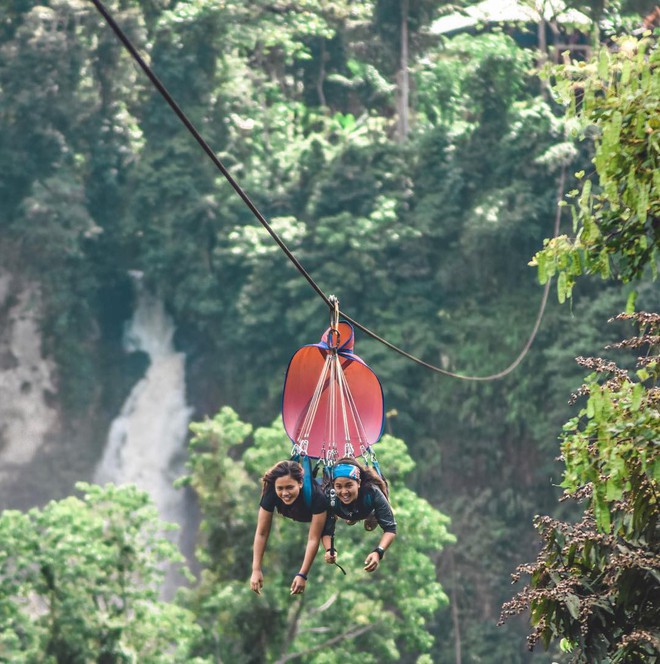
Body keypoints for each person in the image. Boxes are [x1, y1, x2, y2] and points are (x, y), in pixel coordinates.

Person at [251, 460, 328, 596]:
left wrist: (302, 574)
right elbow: (262, 533)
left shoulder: (317, 496)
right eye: (280, 489)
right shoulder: (271, 492)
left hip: (321, 511)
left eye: (289, 487)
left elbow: (313, 538)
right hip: (296, 512)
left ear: (300, 483)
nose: (285, 493)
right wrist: (256, 569)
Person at [322, 457, 396, 572]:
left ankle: (364, 515)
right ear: (333, 486)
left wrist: (379, 552)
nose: (344, 491)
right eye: (339, 486)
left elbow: (390, 528)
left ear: (359, 483)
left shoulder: (372, 492)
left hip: (366, 509)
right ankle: (352, 515)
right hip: (344, 511)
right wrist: (329, 550)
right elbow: (326, 530)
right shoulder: (329, 495)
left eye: (349, 485)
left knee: (375, 506)